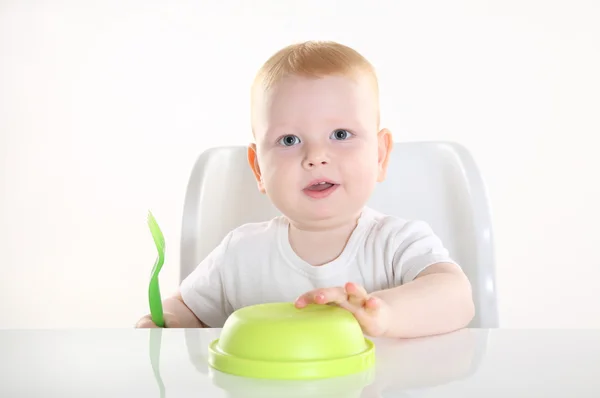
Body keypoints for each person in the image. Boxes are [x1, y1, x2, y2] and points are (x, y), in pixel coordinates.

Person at [136, 40, 474, 338]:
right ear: (258, 169)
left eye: (341, 135)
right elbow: (189, 311)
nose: (315, 157)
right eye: (289, 140)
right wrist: (165, 320)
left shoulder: (397, 243)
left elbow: (457, 298)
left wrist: (384, 313)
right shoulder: (239, 254)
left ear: (380, 155)